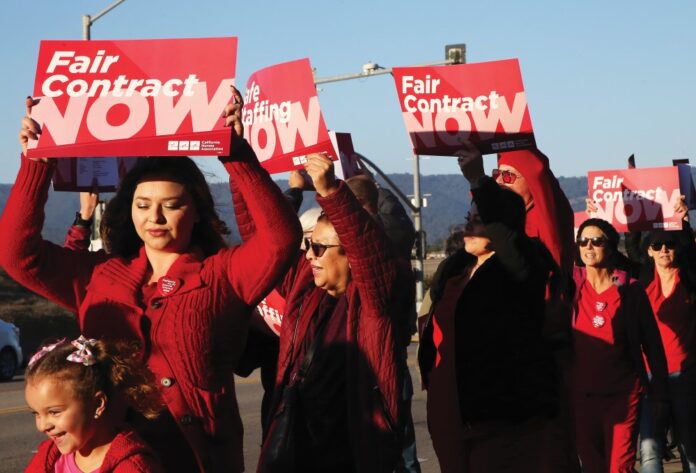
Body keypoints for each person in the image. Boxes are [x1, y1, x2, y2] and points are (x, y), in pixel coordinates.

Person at [0, 88, 302, 473]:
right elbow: (17, 254)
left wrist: (237, 156)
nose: (154, 217)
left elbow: (281, 239)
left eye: (172, 205)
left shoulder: (224, 274)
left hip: (199, 463)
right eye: (143, 205)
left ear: (197, 212)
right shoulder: (98, 275)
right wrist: (37, 163)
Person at [247, 153, 407, 473]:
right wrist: (241, 160)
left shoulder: (372, 303)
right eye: (309, 245)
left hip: (349, 457)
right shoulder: (305, 294)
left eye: (319, 247)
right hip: (297, 453)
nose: (309, 256)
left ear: (351, 257)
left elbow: (370, 252)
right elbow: (265, 242)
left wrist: (331, 191)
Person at [418, 151, 559, 473]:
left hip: (497, 410)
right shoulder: (453, 270)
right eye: (468, 219)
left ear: (501, 227)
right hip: (448, 405)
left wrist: (478, 181)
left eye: (479, 220)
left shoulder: (521, 267)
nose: (469, 227)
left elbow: (509, 240)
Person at [571, 218, 668, 473]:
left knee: (620, 467)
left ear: (611, 248)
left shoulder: (630, 289)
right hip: (581, 397)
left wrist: (659, 392)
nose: (588, 245)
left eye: (596, 240)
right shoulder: (572, 285)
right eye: (583, 240)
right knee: (592, 467)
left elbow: (653, 344)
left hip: (623, 397)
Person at [345, 174, 420, 473]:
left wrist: (374, 189)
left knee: (400, 452)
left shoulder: (383, 243)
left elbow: (397, 228)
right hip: (375, 358)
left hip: (386, 358)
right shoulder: (386, 243)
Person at [624, 206, 696, 473]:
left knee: (691, 447)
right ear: (649, 251)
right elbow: (623, 253)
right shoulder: (642, 280)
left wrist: (683, 222)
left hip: (685, 373)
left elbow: (691, 253)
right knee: (649, 449)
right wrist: (617, 216)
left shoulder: (689, 279)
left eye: (669, 244)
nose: (664, 249)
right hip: (650, 375)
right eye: (657, 245)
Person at [25, 336, 163, 473]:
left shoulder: (133, 468)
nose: (42, 426)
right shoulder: (49, 458)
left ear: (98, 404)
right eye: (36, 413)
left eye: (54, 412)